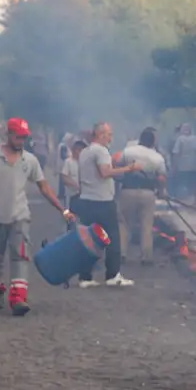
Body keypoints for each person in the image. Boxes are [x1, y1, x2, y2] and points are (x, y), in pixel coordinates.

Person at [0, 117, 75, 315]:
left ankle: (18, 298)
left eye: (24, 138)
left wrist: (63, 209)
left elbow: (44, 186)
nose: (21, 141)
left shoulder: (30, 160)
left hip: (20, 216)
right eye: (18, 137)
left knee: (20, 256)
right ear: (8, 135)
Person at [74, 122, 142, 288]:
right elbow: (105, 173)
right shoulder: (101, 150)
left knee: (89, 240)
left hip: (86, 199)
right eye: (109, 134)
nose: (111, 137)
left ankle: (85, 276)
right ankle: (112, 275)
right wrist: (129, 168)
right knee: (112, 239)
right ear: (100, 134)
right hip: (102, 202)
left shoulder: (85, 152)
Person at [120, 128, 168, 265]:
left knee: (124, 223)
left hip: (128, 190)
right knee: (147, 225)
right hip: (148, 192)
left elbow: (118, 169)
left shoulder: (128, 152)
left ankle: (122, 253)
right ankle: (146, 256)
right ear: (153, 142)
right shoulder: (158, 157)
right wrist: (162, 191)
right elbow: (162, 178)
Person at [170, 125, 196, 205]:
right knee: (194, 188)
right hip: (195, 168)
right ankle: (194, 205)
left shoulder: (180, 139)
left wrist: (174, 167)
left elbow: (176, 153)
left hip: (182, 168)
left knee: (182, 187)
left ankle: (182, 204)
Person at [59, 139, 87, 211]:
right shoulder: (68, 162)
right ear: (74, 150)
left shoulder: (86, 163)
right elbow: (64, 178)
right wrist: (77, 186)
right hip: (71, 195)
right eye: (79, 150)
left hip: (85, 195)